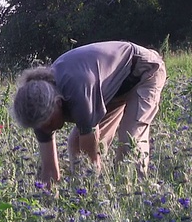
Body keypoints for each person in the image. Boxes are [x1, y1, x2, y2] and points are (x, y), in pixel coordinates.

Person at [12, 41, 167, 188]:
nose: (46, 129)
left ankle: (133, 193)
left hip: (144, 71)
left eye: (47, 123)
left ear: (58, 103)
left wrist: (93, 188)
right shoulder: (37, 111)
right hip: (113, 88)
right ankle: (87, 196)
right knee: (75, 143)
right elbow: (50, 170)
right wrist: (47, 199)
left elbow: (91, 161)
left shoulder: (78, 92)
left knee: (129, 140)